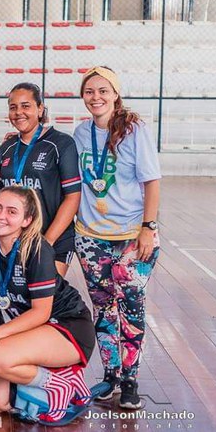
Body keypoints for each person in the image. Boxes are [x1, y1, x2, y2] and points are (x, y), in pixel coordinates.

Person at [73, 66, 161, 409]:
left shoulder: (135, 130)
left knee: (131, 306)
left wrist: (148, 227)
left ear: (115, 94)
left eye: (102, 90)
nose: (95, 97)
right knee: (104, 309)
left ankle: (130, 380)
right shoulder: (81, 133)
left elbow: (151, 181)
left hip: (131, 236)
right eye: (89, 91)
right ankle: (110, 375)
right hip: (91, 237)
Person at [0, 187, 96, 423]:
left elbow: (41, 312)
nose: (1, 216)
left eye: (12, 211)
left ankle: (58, 385)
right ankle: (67, 378)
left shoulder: (38, 249)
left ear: (27, 220)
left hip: (67, 326)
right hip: (36, 330)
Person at [0, 83, 81, 276]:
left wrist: (46, 242)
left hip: (53, 239)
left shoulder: (61, 143)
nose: (19, 112)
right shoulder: (7, 148)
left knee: (48, 293)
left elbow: (73, 197)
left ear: (40, 109)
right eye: (13, 107)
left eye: (26, 106)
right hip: (16, 240)